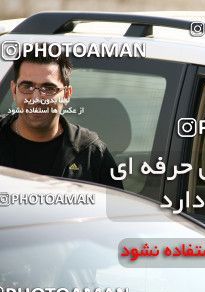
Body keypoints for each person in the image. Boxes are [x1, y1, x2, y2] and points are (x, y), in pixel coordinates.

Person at [0, 43, 123, 189]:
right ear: (14, 90)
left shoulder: (92, 155)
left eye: (49, 88)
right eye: (27, 86)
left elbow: (118, 210)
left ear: (66, 94)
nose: (36, 99)